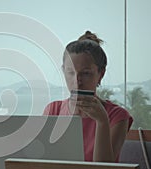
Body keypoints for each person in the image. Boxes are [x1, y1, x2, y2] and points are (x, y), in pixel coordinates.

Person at [44, 31, 133, 162]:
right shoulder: (53, 111)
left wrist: (102, 122)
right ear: (63, 72)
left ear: (100, 74)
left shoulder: (117, 116)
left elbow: (104, 167)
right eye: (70, 72)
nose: (77, 80)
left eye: (85, 73)